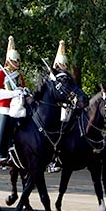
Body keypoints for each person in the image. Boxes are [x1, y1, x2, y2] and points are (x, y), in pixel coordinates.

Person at [0, 36, 27, 166]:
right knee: (5, 121)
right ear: (9, 61)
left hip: (17, 105)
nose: (17, 63)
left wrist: (24, 91)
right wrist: (13, 93)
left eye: (18, 61)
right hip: (3, 106)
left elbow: (22, 87)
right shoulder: (1, 73)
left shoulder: (19, 75)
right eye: (15, 61)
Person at [46, 40, 71, 173]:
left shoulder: (67, 78)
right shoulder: (52, 79)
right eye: (62, 64)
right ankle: (52, 159)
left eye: (66, 64)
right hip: (54, 108)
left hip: (66, 106)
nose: (65, 66)